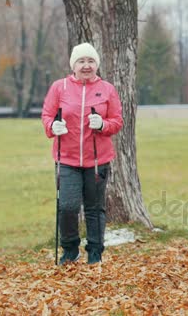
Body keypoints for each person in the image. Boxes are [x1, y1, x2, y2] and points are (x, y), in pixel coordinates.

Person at [41, 42, 123, 264]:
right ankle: (70, 249)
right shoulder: (60, 88)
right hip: (66, 159)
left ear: (96, 64)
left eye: (90, 61)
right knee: (67, 206)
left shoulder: (107, 89)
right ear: (73, 65)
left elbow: (117, 121)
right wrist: (52, 127)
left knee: (94, 208)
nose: (86, 65)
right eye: (81, 61)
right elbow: (47, 115)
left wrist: (103, 125)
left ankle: (95, 251)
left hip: (97, 160)